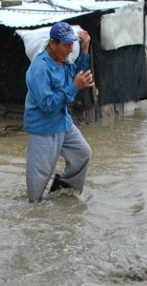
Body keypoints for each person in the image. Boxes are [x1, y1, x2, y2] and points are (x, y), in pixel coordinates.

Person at [23, 22, 95, 203]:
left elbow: (76, 73)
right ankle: (34, 210)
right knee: (40, 175)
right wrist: (74, 87)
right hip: (43, 126)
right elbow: (47, 104)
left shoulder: (65, 62)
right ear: (53, 44)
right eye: (66, 45)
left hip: (63, 122)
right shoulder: (39, 68)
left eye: (72, 44)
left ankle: (61, 192)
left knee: (82, 153)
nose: (71, 49)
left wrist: (85, 50)